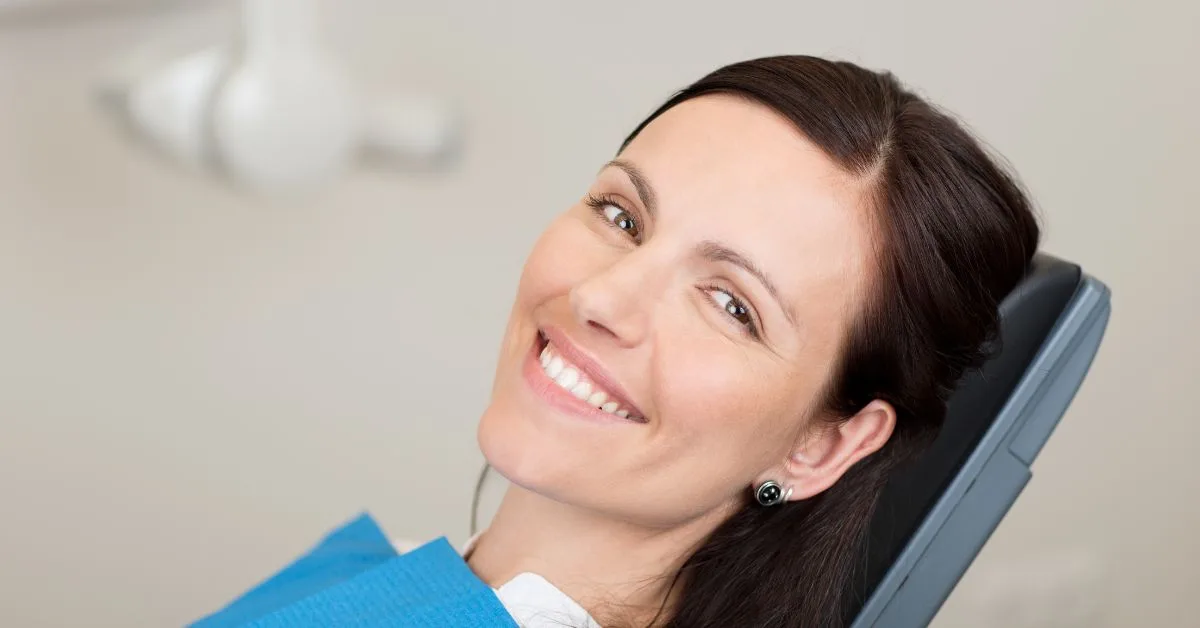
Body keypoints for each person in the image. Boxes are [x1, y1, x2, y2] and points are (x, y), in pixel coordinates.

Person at [195, 54, 1039, 628]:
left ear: (822, 445)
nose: (601, 296)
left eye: (730, 304)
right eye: (621, 215)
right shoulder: (401, 571)